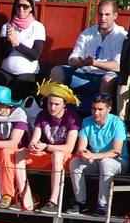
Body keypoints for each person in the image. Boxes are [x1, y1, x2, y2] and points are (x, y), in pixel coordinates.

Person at [14, 83, 82, 213]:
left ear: (64, 105)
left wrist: (45, 146)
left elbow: (69, 148)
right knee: (20, 153)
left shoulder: (72, 117)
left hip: (65, 157)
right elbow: (34, 140)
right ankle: (24, 196)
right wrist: (33, 145)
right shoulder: (42, 115)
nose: (52, 107)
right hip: (46, 153)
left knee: (57, 154)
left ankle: (53, 202)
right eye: (50, 103)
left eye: (57, 104)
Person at [49, 0, 125, 113]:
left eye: (107, 14)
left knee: (108, 79)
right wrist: (81, 62)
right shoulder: (88, 32)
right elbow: (72, 59)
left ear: (115, 15)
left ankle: (100, 116)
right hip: (85, 74)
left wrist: (95, 63)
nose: (103, 18)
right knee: (57, 71)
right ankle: (57, 112)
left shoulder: (122, 35)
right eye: (100, 14)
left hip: (105, 77)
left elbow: (117, 66)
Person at [68, 95, 127, 217]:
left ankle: (103, 205)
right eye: (93, 108)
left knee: (106, 162)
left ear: (109, 109)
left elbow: (116, 152)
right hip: (95, 160)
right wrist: (83, 154)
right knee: (75, 163)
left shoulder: (118, 123)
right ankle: (81, 202)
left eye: (100, 109)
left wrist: (93, 155)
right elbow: (81, 148)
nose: (96, 112)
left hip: (119, 162)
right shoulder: (86, 121)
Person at [0, 0, 44, 102]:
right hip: (6, 71)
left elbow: (35, 55)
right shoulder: (7, 26)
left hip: (28, 73)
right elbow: (3, 53)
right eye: (18, 6)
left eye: (25, 7)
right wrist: (9, 41)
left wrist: (17, 44)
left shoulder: (37, 27)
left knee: (16, 89)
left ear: (31, 8)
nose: (21, 10)